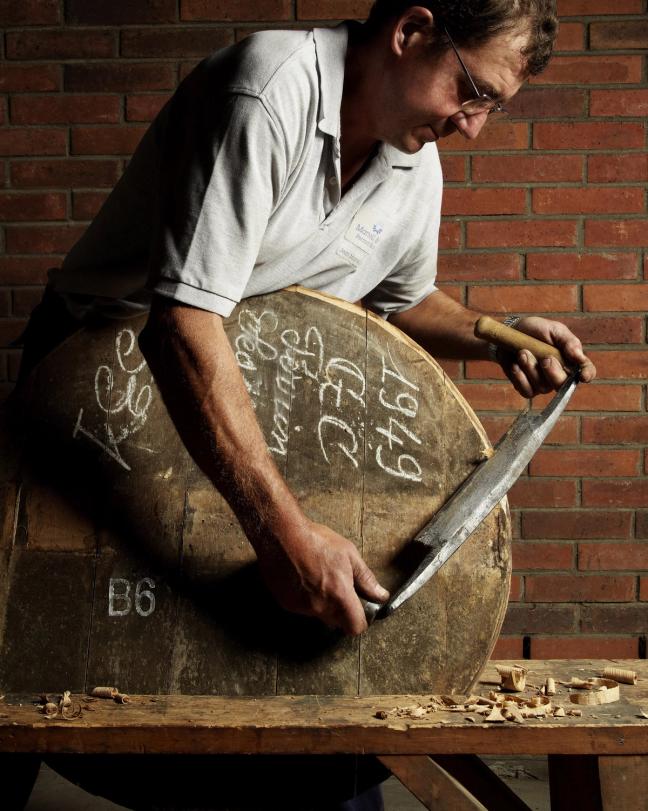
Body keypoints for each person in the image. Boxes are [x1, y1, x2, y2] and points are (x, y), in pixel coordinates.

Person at [17, 2, 596, 808]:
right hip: (94, 384)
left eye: (492, 107)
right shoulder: (267, 91)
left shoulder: (412, 156)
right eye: (472, 91)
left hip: (226, 379)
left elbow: (400, 298)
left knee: (275, 665)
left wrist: (494, 333)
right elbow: (181, 324)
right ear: (411, 32)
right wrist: (282, 531)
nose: (472, 126)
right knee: (42, 664)